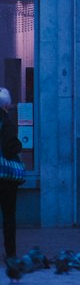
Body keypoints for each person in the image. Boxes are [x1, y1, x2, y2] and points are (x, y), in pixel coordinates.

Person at [0, 85, 22, 258]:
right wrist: (18, 145)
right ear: (6, 105)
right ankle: (11, 252)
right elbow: (9, 148)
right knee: (9, 215)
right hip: (5, 177)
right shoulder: (7, 122)